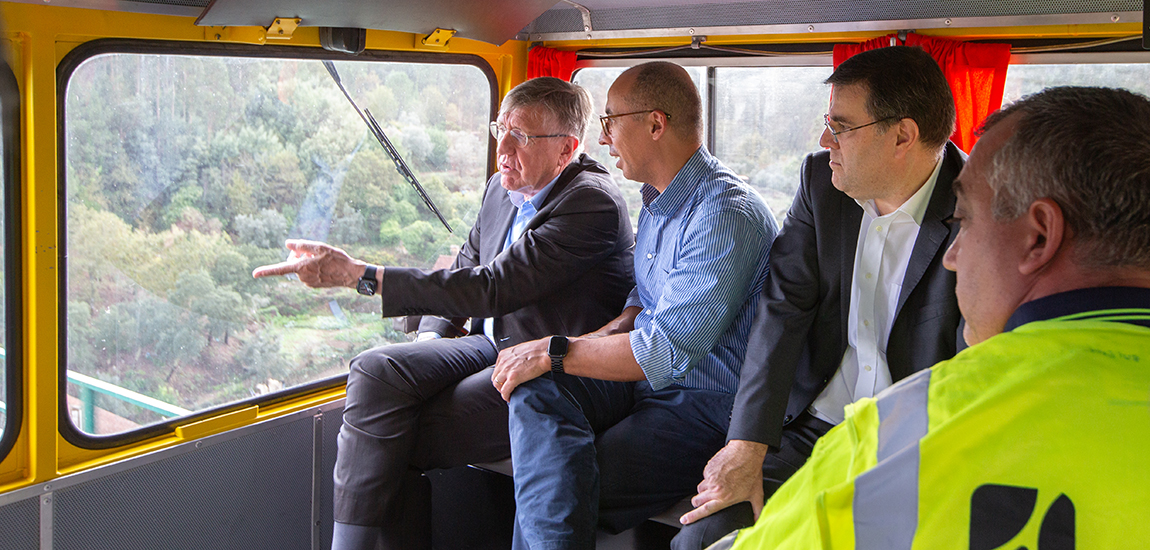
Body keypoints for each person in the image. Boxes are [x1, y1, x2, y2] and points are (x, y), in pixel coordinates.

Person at [717, 85, 1150, 549]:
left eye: (965, 220)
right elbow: (782, 310)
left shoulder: (901, 429)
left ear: (1039, 237)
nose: (952, 256)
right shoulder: (821, 186)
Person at [252, 76, 635, 550]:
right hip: (488, 344)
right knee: (375, 370)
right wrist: (429, 345)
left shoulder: (592, 203)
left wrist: (360, 276)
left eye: (521, 137)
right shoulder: (500, 188)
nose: (503, 148)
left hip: (551, 367)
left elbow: (493, 286)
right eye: (500, 130)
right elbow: (466, 265)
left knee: (391, 438)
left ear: (566, 149)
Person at [675, 45, 966, 549]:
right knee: (703, 537)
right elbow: (781, 312)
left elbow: (976, 361)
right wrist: (746, 444)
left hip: (918, 444)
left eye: (841, 126)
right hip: (814, 427)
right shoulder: (821, 184)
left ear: (903, 136)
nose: (824, 139)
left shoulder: (979, 209)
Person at [489, 61, 778, 550]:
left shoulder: (725, 214)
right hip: (645, 386)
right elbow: (642, 301)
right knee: (536, 391)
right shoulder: (658, 202)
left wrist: (553, 349)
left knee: (557, 487)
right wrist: (589, 341)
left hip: (702, 403)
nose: (603, 139)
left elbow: (665, 350)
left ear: (655, 124)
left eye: (610, 122)